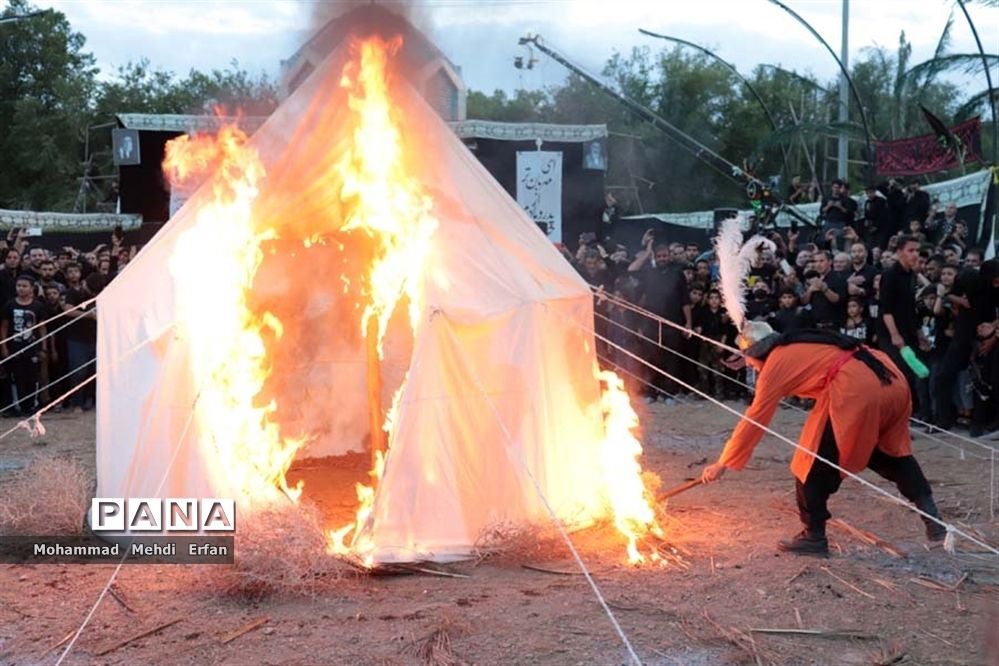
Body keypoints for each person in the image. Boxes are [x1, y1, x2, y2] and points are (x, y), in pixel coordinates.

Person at [701, 321, 946, 554]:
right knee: (884, 451)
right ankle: (930, 513)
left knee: (810, 463)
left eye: (749, 361)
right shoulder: (795, 344)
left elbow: (755, 419)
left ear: (756, 354)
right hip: (890, 379)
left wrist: (723, 463)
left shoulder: (775, 365)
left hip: (856, 388)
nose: (750, 366)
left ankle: (814, 535)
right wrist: (750, 359)